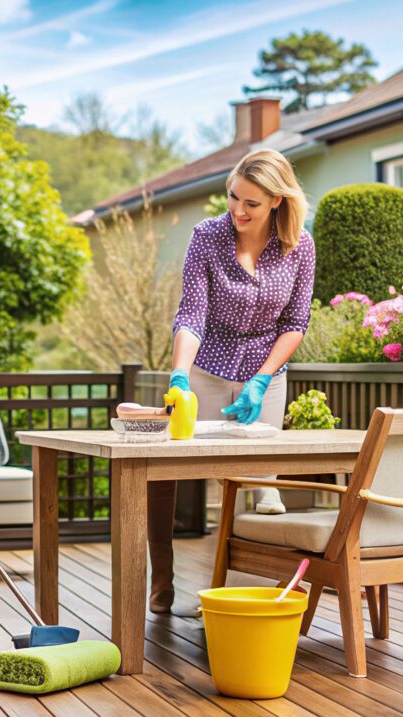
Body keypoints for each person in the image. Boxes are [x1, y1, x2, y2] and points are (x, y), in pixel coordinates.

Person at [149, 148, 315, 614]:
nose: (238, 211)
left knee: (255, 486)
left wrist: (262, 379)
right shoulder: (207, 236)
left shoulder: (299, 244)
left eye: (252, 204)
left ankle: (235, 595)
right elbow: (192, 312)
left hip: (265, 371)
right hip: (206, 365)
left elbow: (296, 322)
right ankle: (162, 580)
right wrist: (179, 373)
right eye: (233, 198)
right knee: (164, 472)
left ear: (278, 201)